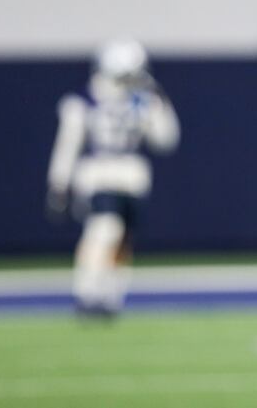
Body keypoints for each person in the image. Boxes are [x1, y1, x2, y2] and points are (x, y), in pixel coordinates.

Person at [46, 37, 180, 317]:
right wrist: (59, 182)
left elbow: (166, 140)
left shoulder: (144, 100)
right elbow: (68, 144)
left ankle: (111, 294)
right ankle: (86, 291)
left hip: (131, 176)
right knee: (103, 230)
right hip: (98, 173)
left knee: (123, 239)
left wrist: (158, 105)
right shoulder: (84, 101)